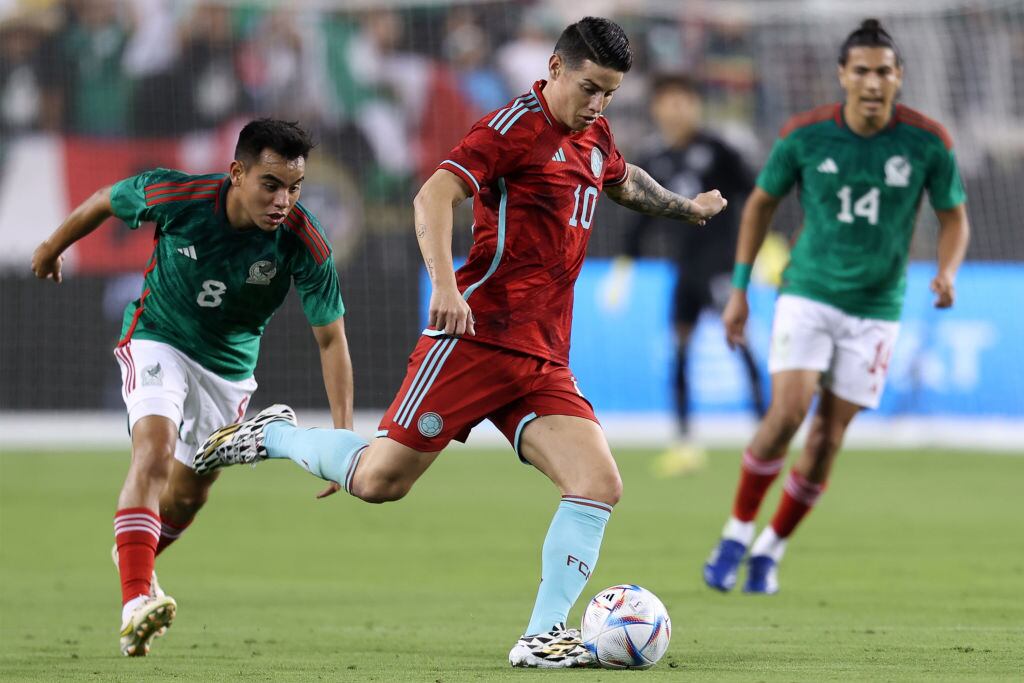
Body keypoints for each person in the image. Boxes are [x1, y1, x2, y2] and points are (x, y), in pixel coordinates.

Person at [194, 17, 726, 668]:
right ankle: (273, 433)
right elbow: (433, 194)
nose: (597, 104)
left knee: (597, 480)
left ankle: (543, 632)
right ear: (554, 68)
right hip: (474, 337)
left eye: (609, 94)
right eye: (589, 88)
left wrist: (685, 207)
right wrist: (445, 285)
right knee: (380, 480)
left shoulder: (594, 134)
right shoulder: (510, 128)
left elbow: (620, 179)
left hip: (541, 354)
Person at [30, 119, 352, 656]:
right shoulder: (178, 196)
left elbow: (331, 341)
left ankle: (134, 552)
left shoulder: (304, 242)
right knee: (152, 454)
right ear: (237, 173)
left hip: (227, 372)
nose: (283, 200)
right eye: (270, 184)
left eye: (294, 188)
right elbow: (106, 200)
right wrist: (50, 246)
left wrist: (343, 439)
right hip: (158, 337)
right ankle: (135, 598)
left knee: (188, 492)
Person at [703, 19, 970, 595]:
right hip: (808, 292)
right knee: (789, 413)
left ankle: (770, 550)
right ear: (842, 75)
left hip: (877, 308)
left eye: (883, 71)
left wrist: (947, 271)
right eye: (862, 71)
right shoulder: (805, 135)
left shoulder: (928, 142)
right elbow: (759, 207)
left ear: (898, 77)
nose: (872, 82)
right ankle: (735, 533)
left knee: (827, 438)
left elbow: (954, 218)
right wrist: (743, 290)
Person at [608, 74, 765, 476]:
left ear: (695, 106)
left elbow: (757, 194)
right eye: (668, 102)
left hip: (721, 267)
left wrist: (766, 246)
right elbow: (640, 217)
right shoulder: (653, 158)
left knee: (739, 342)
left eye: (684, 101)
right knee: (679, 350)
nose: (676, 110)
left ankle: (766, 434)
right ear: (657, 108)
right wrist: (624, 265)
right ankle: (683, 443)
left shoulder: (718, 149)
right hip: (682, 270)